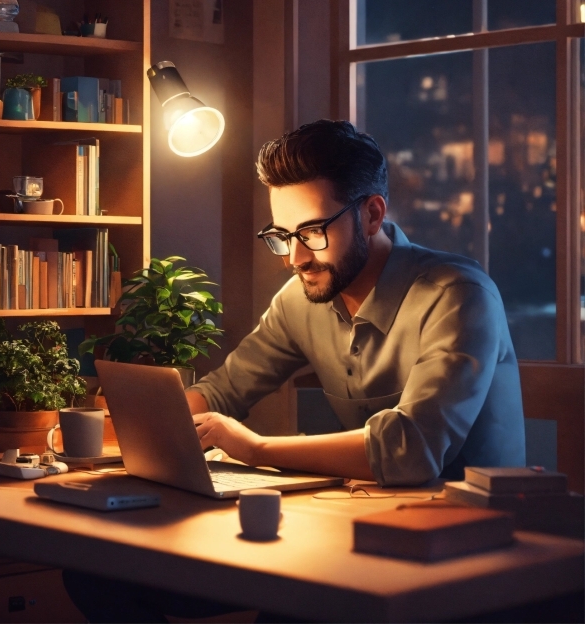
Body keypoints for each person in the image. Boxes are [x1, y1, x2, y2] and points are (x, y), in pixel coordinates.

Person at [64, 119, 525, 622]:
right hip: (356, 525)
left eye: (312, 231)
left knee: (290, 610)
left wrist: (256, 448)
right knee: (96, 573)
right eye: (282, 235)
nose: (295, 258)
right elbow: (225, 389)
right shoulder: (302, 298)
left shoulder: (457, 295)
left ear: (371, 214)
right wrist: (117, 430)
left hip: (469, 555)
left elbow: (410, 449)